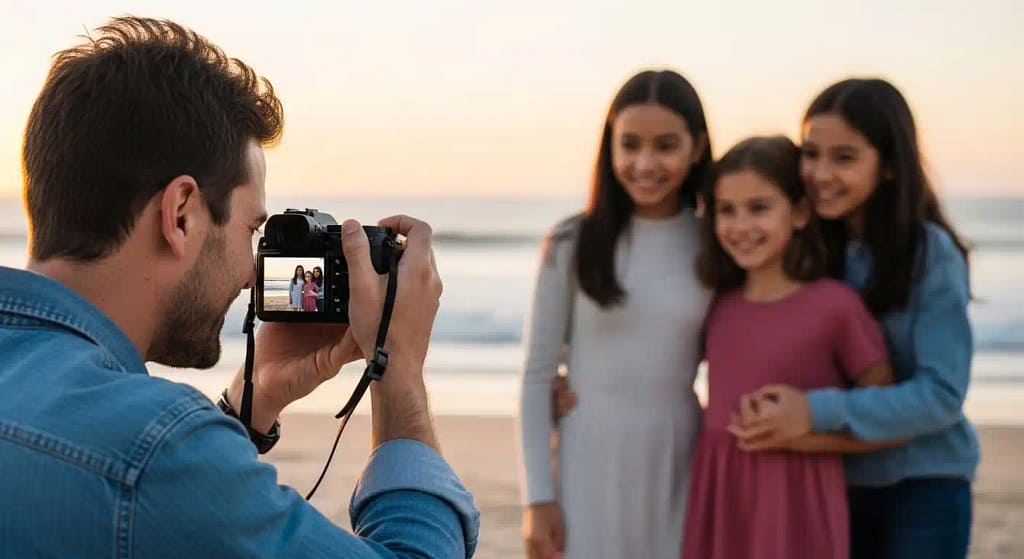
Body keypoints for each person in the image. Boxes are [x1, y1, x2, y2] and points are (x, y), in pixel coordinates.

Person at [0, 16, 478, 558]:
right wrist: (398, 371)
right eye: (252, 230)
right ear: (181, 215)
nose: (253, 273)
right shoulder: (157, 452)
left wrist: (248, 405)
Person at [728, 79, 978, 559]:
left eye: (844, 158)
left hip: (924, 486)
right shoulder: (804, 251)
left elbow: (942, 395)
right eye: (811, 153)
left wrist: (815, 411)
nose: (820, 173)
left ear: (887, 165)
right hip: (830, 480)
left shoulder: (930, 253)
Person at [517, 69, 714, 559]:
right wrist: (537, 498)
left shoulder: (718, 245)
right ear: (610, 147)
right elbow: (537, 376)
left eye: (665, 145)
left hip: (681, 452)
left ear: (698, 147)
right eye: (630, 145)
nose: (644, 163)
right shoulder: (571, 244)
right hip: (589, 453)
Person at [681, 136, 901, 559]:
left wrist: (808, 439)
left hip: (799, 499)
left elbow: (885, 414)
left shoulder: (835, 305)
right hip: (722, 499)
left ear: (800, 212)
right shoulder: (716, 304)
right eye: (727, 210)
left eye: (759, 208)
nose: (741, 226)